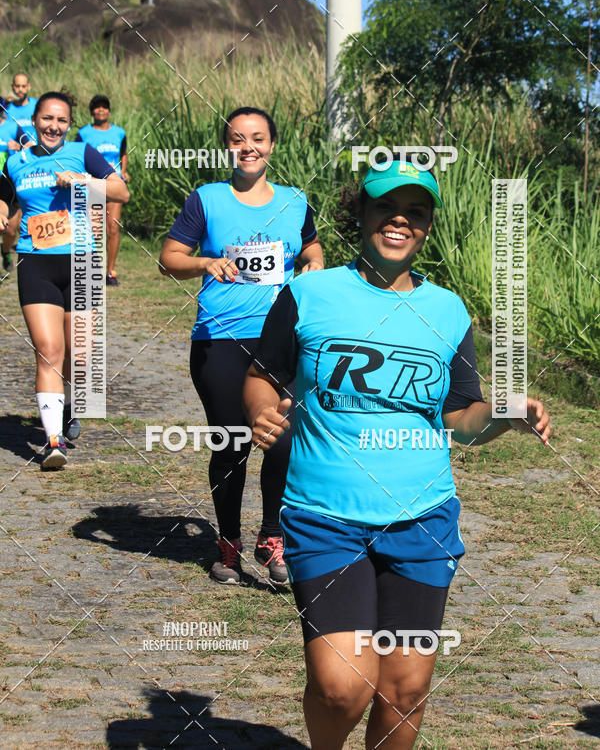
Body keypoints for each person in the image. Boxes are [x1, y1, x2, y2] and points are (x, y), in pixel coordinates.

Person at [243, 161, 550, 750]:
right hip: (325, 515)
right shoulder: (309, 293)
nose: (400, 220)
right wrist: (261, 409)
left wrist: (505, 414)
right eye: (386, 207)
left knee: (404, 691)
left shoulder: (448, 312)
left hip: (422, 520)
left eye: (416, 212)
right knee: (343, 686)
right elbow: (263, 374)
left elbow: (460, 420)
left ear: (428, 227)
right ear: (360, 214)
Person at [159, 107, 324, 585]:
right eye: (237, 139)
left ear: (272, 144)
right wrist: (205, 263)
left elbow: (310, 247)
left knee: (282, 440)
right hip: (221, 339)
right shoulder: (206, 199)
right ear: (226, 147)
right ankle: (227, 544)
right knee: (232, 442)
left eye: (257, 138)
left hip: (283, 339)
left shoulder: (295, 201)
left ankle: (272, 537)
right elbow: (169, 258)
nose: (248, 146)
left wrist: (312, 264)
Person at [0, 91, 129, 469]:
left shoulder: (81, 151)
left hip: (82, 265)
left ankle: (70, 405)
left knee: (79, 355)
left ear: (69, 125)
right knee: (48, 349)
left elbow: (121, 190)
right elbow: (5, 196)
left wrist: (86, 181)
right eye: (47, 119)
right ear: (34, 121)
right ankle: (53, 441)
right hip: (36, 262)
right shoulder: (17, 161)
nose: (54, 126)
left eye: (61, 120)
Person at [76, 95, 129, 286]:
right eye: (96, 107)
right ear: (92, 111)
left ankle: (111, 271)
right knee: (94, 230)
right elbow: (77, 157)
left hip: (113, 186)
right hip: (93, 186)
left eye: (104, 107)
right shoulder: (83, 134)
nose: (100, 110)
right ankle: (92, 269)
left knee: (113, 228)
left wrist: (124, 172)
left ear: (108, 110)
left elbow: (123, 153)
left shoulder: (119, 132)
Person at [0, 96, 21, 271]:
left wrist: (19, 147)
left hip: (9, 183)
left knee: (11, 229)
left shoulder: (13, 127)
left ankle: (5, 251)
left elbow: (31, 146)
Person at [3, 73, 38, 148]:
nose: (20, 89)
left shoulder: (38, 105)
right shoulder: (6, 109)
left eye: (23, 86)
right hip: (14, 154)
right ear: (12, 86)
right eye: (17, 86)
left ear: (28, 86)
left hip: (36, 152)